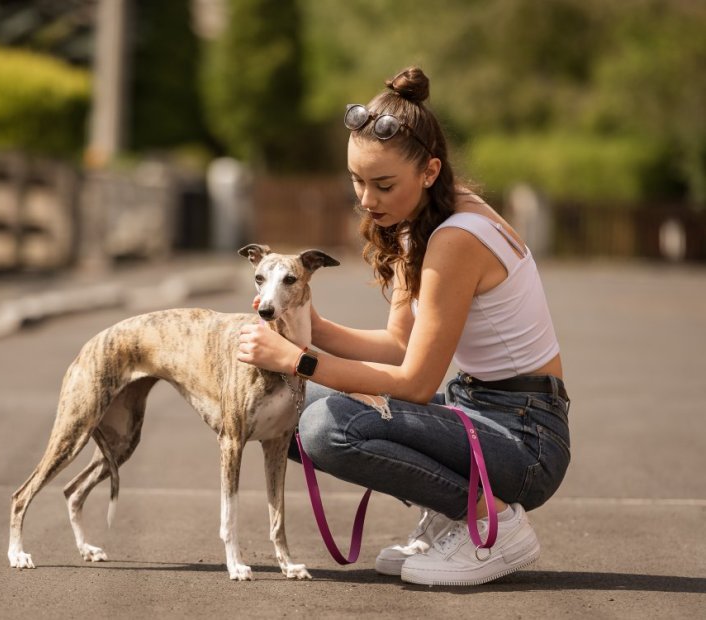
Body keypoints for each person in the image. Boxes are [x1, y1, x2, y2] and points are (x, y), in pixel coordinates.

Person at [237, 66, 570, 587]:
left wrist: (296, 360)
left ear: (430, 171)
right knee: (307, 421)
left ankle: (492, 523)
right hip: (475, 412)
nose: (367, 200)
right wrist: (307, 323)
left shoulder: (458, 238)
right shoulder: (422, 224)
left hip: (526, 439)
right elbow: (397, 346)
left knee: (326, 428)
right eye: (357, 181)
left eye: (383, 184)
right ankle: (457, 513)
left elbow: (415, 382)